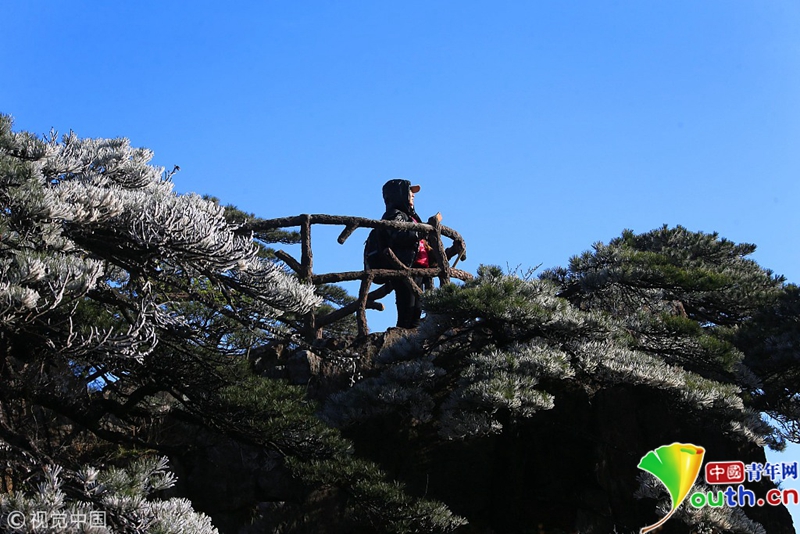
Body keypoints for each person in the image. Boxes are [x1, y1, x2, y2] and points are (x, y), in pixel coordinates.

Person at [378, 179, 440, 329]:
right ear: (398, 194)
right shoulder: (393, 214)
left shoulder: (412, 217)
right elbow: (399, 236)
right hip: (406, 267)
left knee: (416, 311)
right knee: (407, 311)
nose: (413, 195)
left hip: (419, 269)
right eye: (409, 192)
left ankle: (411, 341)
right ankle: (399, 341)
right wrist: (423, 231)